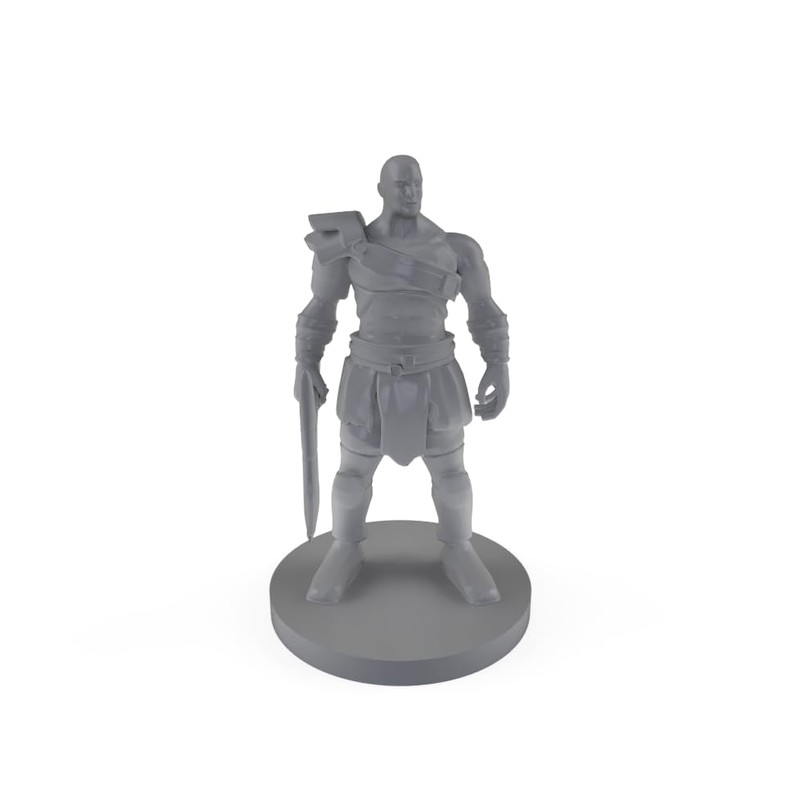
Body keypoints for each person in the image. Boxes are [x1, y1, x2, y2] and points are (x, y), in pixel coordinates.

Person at [295, 155, 510, 604]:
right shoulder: (349, 247)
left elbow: (484, 309)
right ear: (382, 189)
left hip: (436, 376)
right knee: (352, 475)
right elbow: (320, 309)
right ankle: (345, 546)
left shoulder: (456, 250)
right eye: (401, 185)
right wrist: (307, 361)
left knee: (451, 475)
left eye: (416, 184)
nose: (410, 193)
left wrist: (497, 362)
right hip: (367, 378)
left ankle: (458, 547)